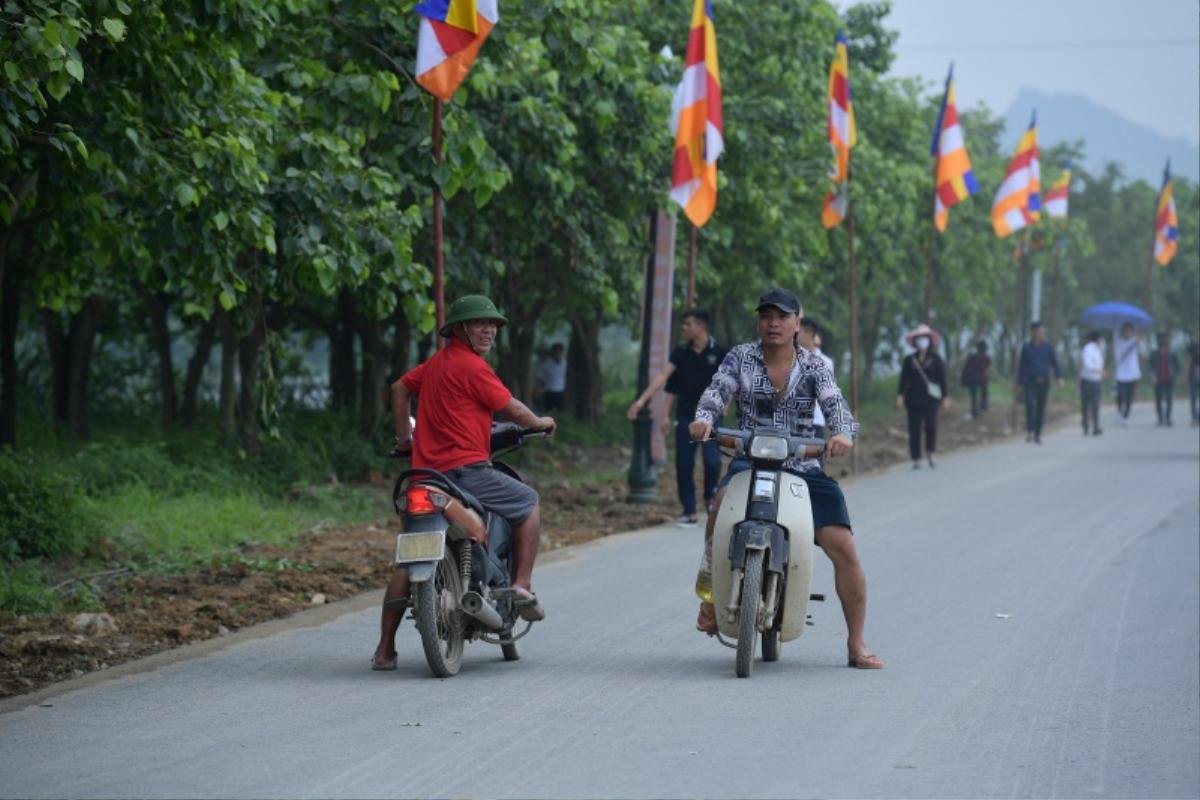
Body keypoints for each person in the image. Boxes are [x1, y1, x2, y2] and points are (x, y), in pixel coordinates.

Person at [689, 288, 882, 670]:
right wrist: (704, 419)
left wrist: (842, 434)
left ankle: (856, 644)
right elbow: (716, 392)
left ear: (797, 322)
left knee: (843, 547)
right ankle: (710, 598)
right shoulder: (740, 357)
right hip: (749, 461)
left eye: (782, 316)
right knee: (717, 511)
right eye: (766, 316)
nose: (773, 323)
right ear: (759, 321)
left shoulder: (813, 366)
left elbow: (835, 405)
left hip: (803, 468)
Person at [372, 295, 556, 671]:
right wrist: (538, 421)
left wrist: (404, 439)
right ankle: (522, 585)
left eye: (493, 324)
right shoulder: (473, 367)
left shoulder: (433, 366)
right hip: (467, 472)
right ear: (459, 329)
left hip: (424, 477)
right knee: (529, 503)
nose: (488, 330)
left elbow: (397, 390)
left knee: (408, 561)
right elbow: (511, 408)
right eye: (478, 324)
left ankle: (385, 650)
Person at [626, 308, 726, 526]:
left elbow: (732, 381)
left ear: (701, 326)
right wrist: (642, 401)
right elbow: (665, 378)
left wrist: (727, 403)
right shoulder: (680, 353)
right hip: (686, 417)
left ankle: (710, 497)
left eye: (688, 324)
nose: (683, 328)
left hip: (711, 417)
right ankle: (689, 510)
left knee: (712, 461)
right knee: (683, 464)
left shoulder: (719, 352)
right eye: (683, 324)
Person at [896, 324, 949, 469]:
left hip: (931, 399)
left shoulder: (936, 359)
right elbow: (903, 380)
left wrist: (945, 397)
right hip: (913, 399)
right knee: (914, 429)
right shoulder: (909, 360)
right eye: (919, 339)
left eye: (924, 338)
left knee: (931, 426)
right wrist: (900, 395)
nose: (922, 341)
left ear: (929, 340)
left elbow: (942, 379)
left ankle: (931, 452)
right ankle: (916, 458)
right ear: (915, 341)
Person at [1018, 321, 1062, 444]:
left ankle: (1038, 434)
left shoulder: (1048, 347)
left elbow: (1055, 363)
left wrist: (1059, 378)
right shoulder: (1026, 348)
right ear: (1032, 333)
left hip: (1044, 381)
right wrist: (1020, 384)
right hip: (1030, 382)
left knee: (1040, 408)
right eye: (1038, 332)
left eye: (1042, 332)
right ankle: (1030, 431)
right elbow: (1022, 367)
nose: (1041, 334)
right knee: (1030, 405)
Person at [797, 318, 834, 439]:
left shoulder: (825, 362)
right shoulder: (790, 358)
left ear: (809, 332)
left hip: (815, 421)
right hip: (790, 421)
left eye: (799, 331)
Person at [1148, 332, 1180, 427]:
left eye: (1165, 339)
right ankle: (1160, 419)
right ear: (1158, 341)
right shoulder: (1154, 353)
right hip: (1157, 379)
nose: (1163, 340)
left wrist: (1175, 376)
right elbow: (1150, 366)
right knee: (1158, 400)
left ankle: (1168, 418)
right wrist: (1152, 376)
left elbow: (1178, 367)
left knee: (1169, 399)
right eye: (1161, 339)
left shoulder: (1172, 353)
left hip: (1169, 379)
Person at [1113, 323, 1142, 426]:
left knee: (1130, 397)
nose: (1127, 332)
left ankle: (1125, 416)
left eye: (1130, 331)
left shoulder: (1135, 342)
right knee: (1121, 396)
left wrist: (1138, 340)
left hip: (1132, 374)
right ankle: (1120, 413)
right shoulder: (1118, 342)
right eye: (1126, 330)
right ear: (1123, 331)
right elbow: (1117, 357)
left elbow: (1141, 351)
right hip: (1121, 374)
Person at [1079, 331, 1105, 436]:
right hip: (1087, 380)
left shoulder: (1098, 350)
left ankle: (1095, 426)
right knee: (1086, 404)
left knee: (1095, 404)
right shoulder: (1088, 349)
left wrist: (1100, 371)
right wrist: (1098, 370)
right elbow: (1087, 364)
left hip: (1096, 381)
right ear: (1097, 339)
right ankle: (1086, 424)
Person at [960, 341, 991, 418]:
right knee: (981, 394)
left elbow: (966, 367)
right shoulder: (985, 357)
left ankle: (977, 409)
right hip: (980, 378)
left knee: (976, 395)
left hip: (975, 378)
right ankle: (981, 408)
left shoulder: (973, 357)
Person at [536, 343, 567, 412]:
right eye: (556, 352)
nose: (558, 354)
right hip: (549, 392)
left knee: (561, 411)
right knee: (547, 411)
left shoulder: (566, 364)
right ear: (553, 352)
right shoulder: (547, 364)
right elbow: (541, 378)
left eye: (559, 352)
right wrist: (539, 390)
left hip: (561, 392)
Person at [1189, 335, 1200, 427]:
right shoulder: (1193, 346)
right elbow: (1188, 360)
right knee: (1193, 396)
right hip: (1193, 374)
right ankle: (1194, 417)